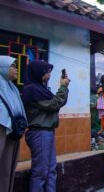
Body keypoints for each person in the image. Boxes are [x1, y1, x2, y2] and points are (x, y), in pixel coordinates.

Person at [22, 61, 69, 192]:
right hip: (39, 133)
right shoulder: (32, 90)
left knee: (51, 171)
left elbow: (56, 102)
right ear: (38, 73)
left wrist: (63, 88)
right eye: (47, 72)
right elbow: (54, 104)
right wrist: (63, 87)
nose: (49, 74)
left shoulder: (41, 89)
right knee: (41, 172)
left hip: (46, 132)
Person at [0, 56, 27, 192]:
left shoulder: (12, 88)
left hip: (12, 133)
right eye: (13, 66)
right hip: (2, 130)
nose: (17, 69)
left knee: (8, 167)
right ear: (3, 68)